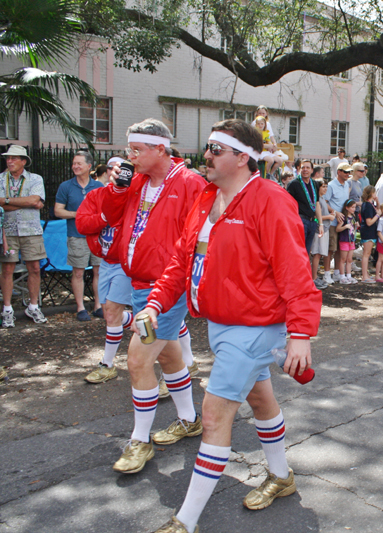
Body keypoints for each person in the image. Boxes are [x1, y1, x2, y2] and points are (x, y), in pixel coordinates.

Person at [142, 119, 321, 533]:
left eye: (215, 149)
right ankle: (281, 477)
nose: (206, 155)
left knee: (214, 413)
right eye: (206, 147)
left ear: (243, 158)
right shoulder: (207, 199)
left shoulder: (270, 200)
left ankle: (185, 521)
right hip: (221, 325)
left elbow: (295, 271)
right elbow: (181, 261)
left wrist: (299, 334)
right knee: (260, 401)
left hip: (256, 327)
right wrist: (154, 304)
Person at [103, 118, 206, 474]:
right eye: (128, 149)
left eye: (136, 150)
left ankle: (139, 440)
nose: (127, 156)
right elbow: (108, 217)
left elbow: (201, 236)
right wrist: (116, 189)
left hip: (166, 289)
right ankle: (190, 419)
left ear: (159, 149)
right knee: (169, 355)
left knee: (137, 360)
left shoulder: (190, 183)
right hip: (138, 283)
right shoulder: (135, 182)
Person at [76, 156, 138, 383]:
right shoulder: (95, 195)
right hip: (105, 262)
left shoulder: (133, 196)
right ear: (106, 172)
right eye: (113, 168)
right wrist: (104, 216)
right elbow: (82, 224)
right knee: (111, 313)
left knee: (110, 311)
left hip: (124, 262)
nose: (117, 173)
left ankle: (107, 365)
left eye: (122, 170)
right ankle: (154, 323)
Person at [55, 151, 105, 321]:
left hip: (97, 236)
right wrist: (79, 215)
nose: (75, 166)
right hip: (76, 235)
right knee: (78, 272)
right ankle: (81, 307)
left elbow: (106, 211)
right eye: (74, 163)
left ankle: (98, 306)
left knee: (99, 271)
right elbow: (58, 211)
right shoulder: (66, 186)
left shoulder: (99, 187)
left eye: (79, 163)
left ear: (89, 166)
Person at [0, 145, 46, 327]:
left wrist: (7, 200)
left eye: (14, 158)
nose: (9, 161)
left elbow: (36, 200)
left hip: (31, 231)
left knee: (34, 268)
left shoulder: (35, 178)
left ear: (24, 161)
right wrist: (27, 202)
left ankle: (33, 306)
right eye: (7, 158)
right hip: (8, 231)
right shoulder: (1, 179)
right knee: (7, 270)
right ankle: (7, 309)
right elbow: (32, 201)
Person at [321, 163, 352, 285]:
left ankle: (337, 272)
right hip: (333, 222)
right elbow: (325, 202)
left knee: (340, 248)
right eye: (345, 172)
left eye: (349, 172)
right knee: (331, 248)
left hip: (343, 222)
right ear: (338, 172)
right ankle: (327, 273)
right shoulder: (331, 186)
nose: (347, 174)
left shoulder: (347, 185)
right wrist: (335, 212)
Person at [286, 160, 323, 254]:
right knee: (298, 251)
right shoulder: (294, 184)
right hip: (300, 220)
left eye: (307, 167)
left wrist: (321, 223)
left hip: (312, 222)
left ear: (312, 170)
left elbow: (317, 203)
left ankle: (305, 269)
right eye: (303, 167)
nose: (305, 170)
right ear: (299, 169)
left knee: (307, 251)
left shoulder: (315, 184)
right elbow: (288, 204)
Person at [310, 180, 335, 290]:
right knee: (317, 254)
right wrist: (329, 217)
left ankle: (315, 277)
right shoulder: (317, 200)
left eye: (326, 186)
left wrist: (333, 213)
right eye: (323, 186)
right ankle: (313, 278)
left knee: (320, 254)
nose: (325, 189)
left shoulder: (323, 200)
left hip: (325, 229)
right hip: (319, 230)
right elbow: (316, 217)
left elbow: (329, 210)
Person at [360, 186, 379, 283]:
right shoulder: (367, 205)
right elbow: (369, 222)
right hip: (368, 231)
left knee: (367, 253)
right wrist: (377, 215)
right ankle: (364, 276)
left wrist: (378, 201)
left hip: (370, 231)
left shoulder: (370, 204)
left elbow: (378, 209)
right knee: (366, 254)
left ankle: (366, 274)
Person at [336, 199, 358, 284]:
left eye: (355, 207)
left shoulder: (353, 218)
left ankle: (349, 276)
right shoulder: (344, 218)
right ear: (347, 208)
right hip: (344, 240)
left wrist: (356, 226)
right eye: (352, 207)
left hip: (351, 241)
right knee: (343, 259)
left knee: (349, 259)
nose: (354, 209)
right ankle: (342, 276)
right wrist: (345, 226)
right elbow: (337, 229)